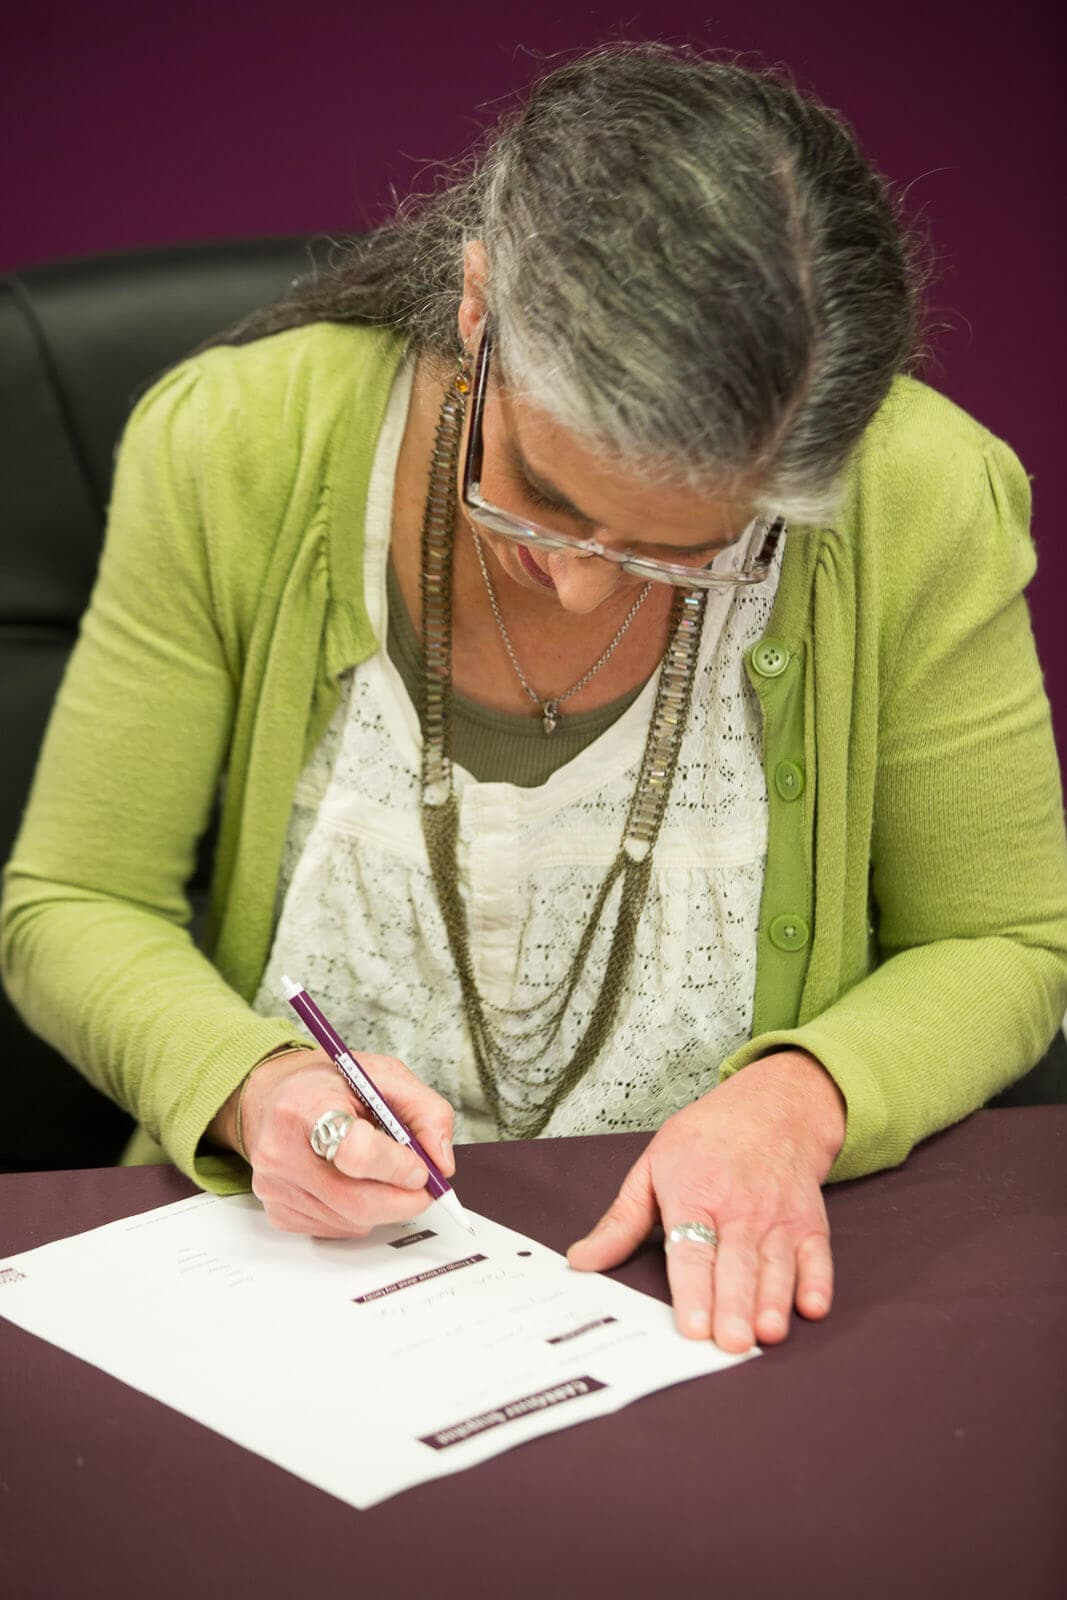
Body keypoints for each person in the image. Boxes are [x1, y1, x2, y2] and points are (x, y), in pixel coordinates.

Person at [3, 44, 1066, 1357]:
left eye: (680, 553)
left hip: (709, 1297)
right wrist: (255, 1090)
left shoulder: (921, 497)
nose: (574, 588)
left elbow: (1011, 941)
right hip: (296, 1281)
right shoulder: (238, 442)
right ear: (476, 301)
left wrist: (796, 1104)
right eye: (543, 499)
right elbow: (72, 904)